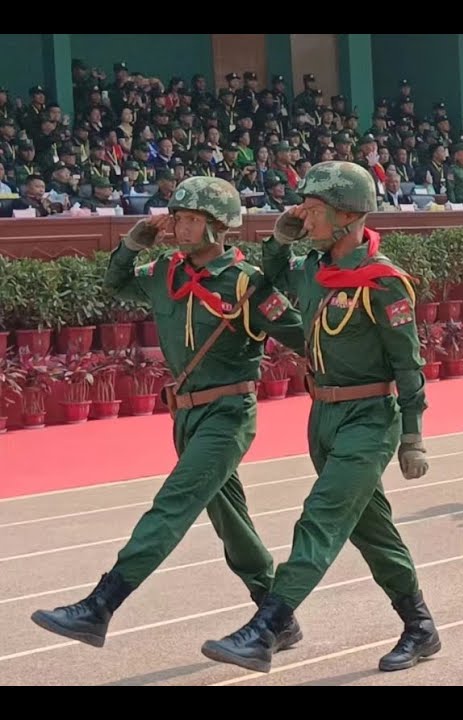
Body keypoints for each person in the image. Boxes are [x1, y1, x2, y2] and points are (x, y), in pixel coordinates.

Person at [30, 177, 307, 649]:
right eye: (178, 217)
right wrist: (134, 241)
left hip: (227, 415)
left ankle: (101, 604)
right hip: (185, 417)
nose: (180, 227)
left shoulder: (246, 284)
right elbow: (114, 283)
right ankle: (275, 613)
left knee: (172, 505)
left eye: (192, 219)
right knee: (231, 521)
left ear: (219, 227)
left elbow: (305, 338)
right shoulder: (164, 273)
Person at [200, 161, 438, 673]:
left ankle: (267, 627)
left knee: (321, 518)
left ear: (349, 217)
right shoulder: (312, 270)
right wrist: (280, 239)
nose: (303, 217)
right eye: (302, 209)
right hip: (323, 418)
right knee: (371, 531)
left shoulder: (384, 283)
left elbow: (408, 363)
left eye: (313, 210)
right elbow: (267, 282)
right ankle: (420, 627)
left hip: (370, 418)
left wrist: (412, 435)